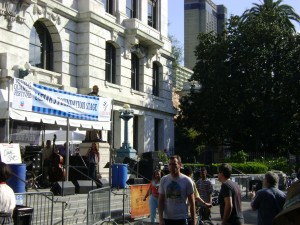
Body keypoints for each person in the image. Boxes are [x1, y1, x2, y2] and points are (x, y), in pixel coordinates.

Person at [158, 155, 196, 225]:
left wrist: (193, 221)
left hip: (181, 218)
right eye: (170, 164)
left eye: (174, 164)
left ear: (180, 165)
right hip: (167, 218)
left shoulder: (187, 181)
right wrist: (160, 219)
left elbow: (192, 203)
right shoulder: (164, 180)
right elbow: (160, 201)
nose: (172, 167)